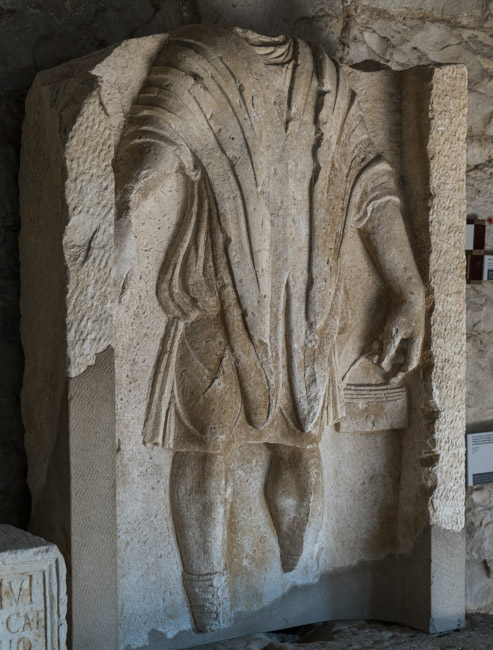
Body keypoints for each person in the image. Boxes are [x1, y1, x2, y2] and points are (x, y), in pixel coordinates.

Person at [114, 25, 425, 632]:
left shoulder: (324, 76)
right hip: (216, 292)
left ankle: (298, 594)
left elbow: (371, 181)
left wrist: (409, 288)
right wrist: (124, 216)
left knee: (302, 441)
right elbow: (155, 139)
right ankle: (208, 609)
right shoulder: (197, 54)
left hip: (309, 303)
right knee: (204, 443)